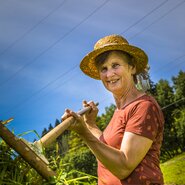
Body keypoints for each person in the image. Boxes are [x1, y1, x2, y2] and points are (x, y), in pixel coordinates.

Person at [61, 34, 164, 185]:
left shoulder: (143, 106)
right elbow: (106, 151)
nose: (109, 74)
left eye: (115, 65)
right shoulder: (119, 111)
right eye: (104, 69)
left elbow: (123, 167)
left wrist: (84, 134)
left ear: (132, 67)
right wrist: (90, 125)